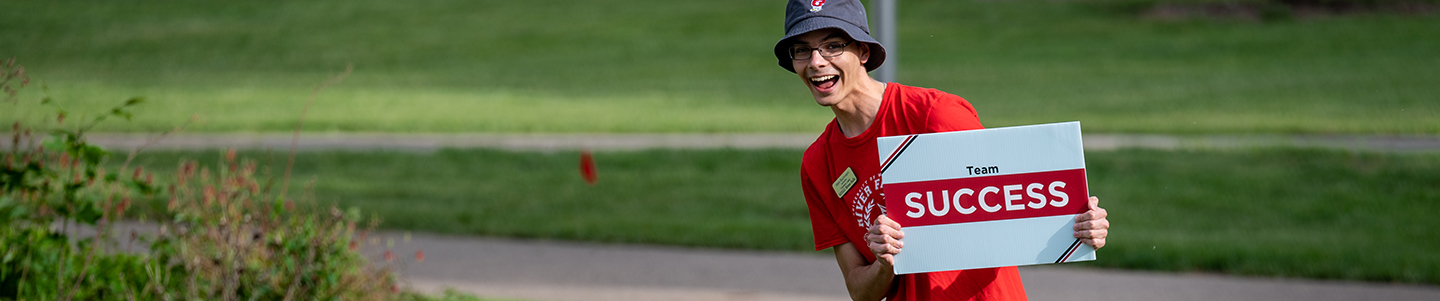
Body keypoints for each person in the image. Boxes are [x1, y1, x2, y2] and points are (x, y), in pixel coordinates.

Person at [774, 0, 1111, 300]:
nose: (817, 62)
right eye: (802, 50)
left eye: (833, 46)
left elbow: (1013, 203)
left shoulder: (934, 114)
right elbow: (860, 291)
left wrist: (1078, 226)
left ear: (863, 52)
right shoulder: (818, 163)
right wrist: (884, 262)